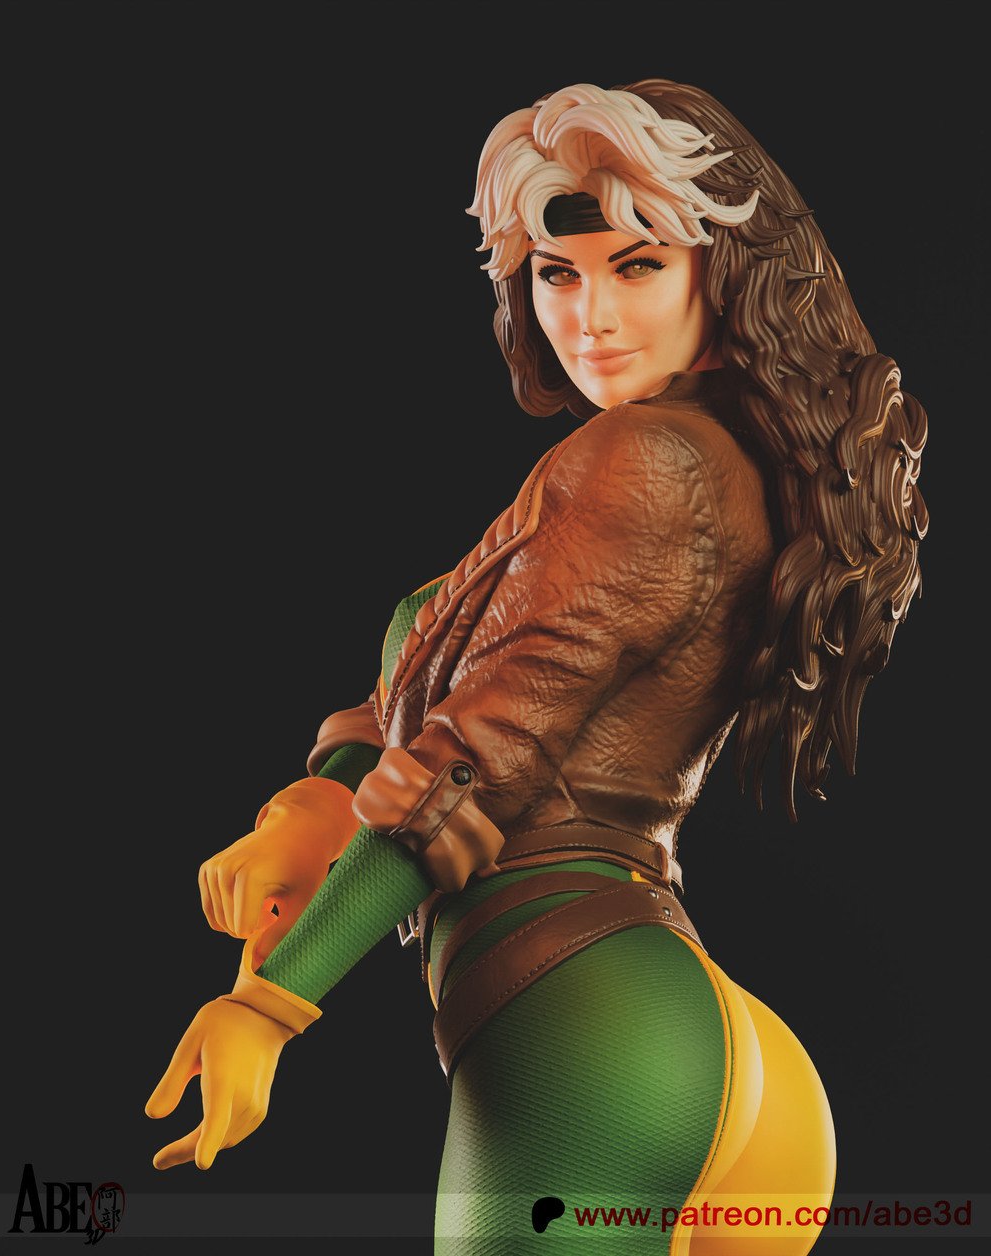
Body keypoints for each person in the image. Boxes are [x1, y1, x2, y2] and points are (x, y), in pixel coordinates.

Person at [145, 79, 928, 1254]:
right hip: (661, 1034)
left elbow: (471, 764)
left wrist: (270, 1001)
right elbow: (428, 705)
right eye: (557, 273)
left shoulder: (645, 461)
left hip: (581, 1017)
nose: (589, 315)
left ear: (725, 273)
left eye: (637, 266)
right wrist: (310, 816)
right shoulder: (694, 459)